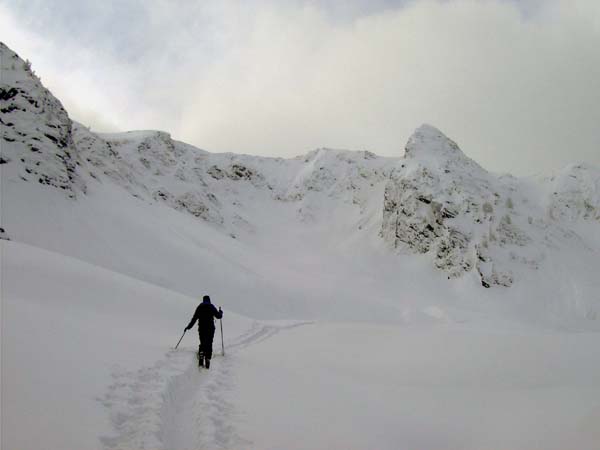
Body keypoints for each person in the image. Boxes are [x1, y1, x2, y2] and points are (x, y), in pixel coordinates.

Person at [185, 295, 223, 369]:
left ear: (203, 300)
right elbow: (218, 316)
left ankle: (201, 354)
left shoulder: (199, 307)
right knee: (209, 342)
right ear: (209, 300)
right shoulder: (211, 306)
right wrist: (220, 312)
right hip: (210, 328)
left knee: (202, 342)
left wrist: (188, 327)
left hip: (202, 328)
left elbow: (194, 319)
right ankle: (208, 358)